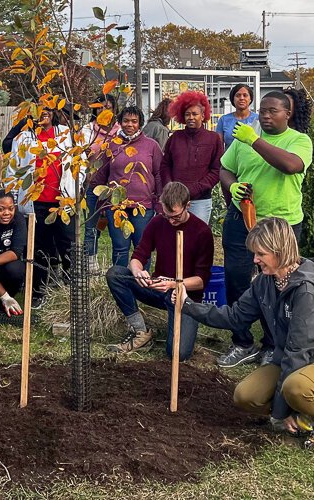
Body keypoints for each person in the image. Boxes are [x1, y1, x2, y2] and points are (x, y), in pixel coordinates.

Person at [174, 217, 314, 449]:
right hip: (291, 358)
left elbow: (298, 354)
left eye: (260, 253)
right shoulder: (265, 282)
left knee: (296, 387)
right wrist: (188, 305)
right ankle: (300, 408)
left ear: (280, 251)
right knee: (246, 396)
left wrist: (281, 412)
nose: (255, 259)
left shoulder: (307, 294)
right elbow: (234, 316)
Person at [217, 91, 313, 368]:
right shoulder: (243, 140)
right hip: (243, 217)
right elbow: (225, 168)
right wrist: (232, 186)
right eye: (263, 111)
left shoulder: (298, 141)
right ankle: (242, 341)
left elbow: (291, 166)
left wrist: (255, 140)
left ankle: (272, 344)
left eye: (273, 111)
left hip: (280, 224)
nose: (266, 116)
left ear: (287, 114)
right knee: (236, 277)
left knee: (278, 283)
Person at [105, 182, 213, 361]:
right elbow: (138, 256)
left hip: (185, 297)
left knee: (178, 354)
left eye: (176, 217)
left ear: (188, 206)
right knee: (115, 274)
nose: (171, 221)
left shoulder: (202, 232)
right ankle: (141, 331)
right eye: (167, 215)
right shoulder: (158, 222)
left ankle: (182, 326)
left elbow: (201, 281)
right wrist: (138, 271)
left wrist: (173, 283)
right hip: (158, 288)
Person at [10, 107, 84, 308]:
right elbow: (14, 170)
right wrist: (16, 199)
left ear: (54, 113)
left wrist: (75, 191)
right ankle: (39, 291)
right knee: (40, 249)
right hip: (37, 203)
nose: (43, 114)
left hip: (63, 202)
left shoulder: (67, 135)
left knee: (68, 247)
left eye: (47, 110)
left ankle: (72, 291)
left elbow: (80, 164)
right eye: (38, 110)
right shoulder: (23, 138)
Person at [91, 106, 163, 268]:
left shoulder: (151, 146)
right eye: (126, 121)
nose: (130, 125)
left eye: (134, 121)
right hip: (116, 207)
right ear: (120, 122)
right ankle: (120, 283)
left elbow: (159, 174)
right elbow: (101, 175)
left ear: (140, 124)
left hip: (142, 207)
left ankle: (141, 285)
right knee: (120, 248)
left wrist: (159, 202)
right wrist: (101, 202)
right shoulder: (111, 145)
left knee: (142, 248)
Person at [161, 91, 223, 224]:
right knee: (175, 237)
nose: (191, 117)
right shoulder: (175, 138)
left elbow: (217, 170)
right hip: (175, 199)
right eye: (187, 114)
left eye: (195, 114)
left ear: (203, 115)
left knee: (196, 238)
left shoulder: (213, 138)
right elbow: (165, 165)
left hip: (200, 200)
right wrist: (170, 187)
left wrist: (194, 189)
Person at [82, 94, 120, 274]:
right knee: (91, 226)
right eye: (100, 107)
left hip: (116, 188)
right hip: (93, 185)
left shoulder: (120, 131)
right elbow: (80, 156)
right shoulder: (88, 130)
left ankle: (117, 266)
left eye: (108, 107)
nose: (103, 110)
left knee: (115, 226)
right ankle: (91, 263)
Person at [215, 84, 258, 148]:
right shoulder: (224, 120)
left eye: (245, 95)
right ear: (233, 99)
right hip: (229, 158)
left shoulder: (258, 119)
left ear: (250, 99)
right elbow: (219, 146)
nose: (241, 98)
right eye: (238, 95)